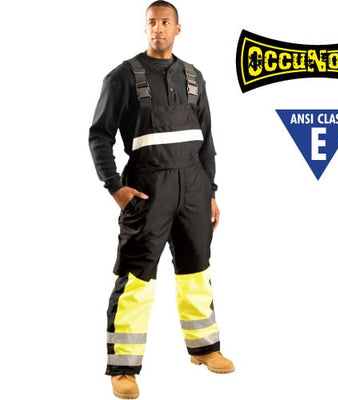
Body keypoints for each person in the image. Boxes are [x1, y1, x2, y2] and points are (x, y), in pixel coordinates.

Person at [89, 1, 234, 398]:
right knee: (136, 277)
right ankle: (123, 368)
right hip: (148, 190)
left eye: (165, 22)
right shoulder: (122, 76)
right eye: (152, 22)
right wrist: (114, 186)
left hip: (194, 187)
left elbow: (206, 140)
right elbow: (99, 135)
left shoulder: (194, 77)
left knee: (196, 270)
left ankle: (205, 349)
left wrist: (210, 192)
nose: (158, 28)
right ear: (145, 28)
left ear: (177, 28)